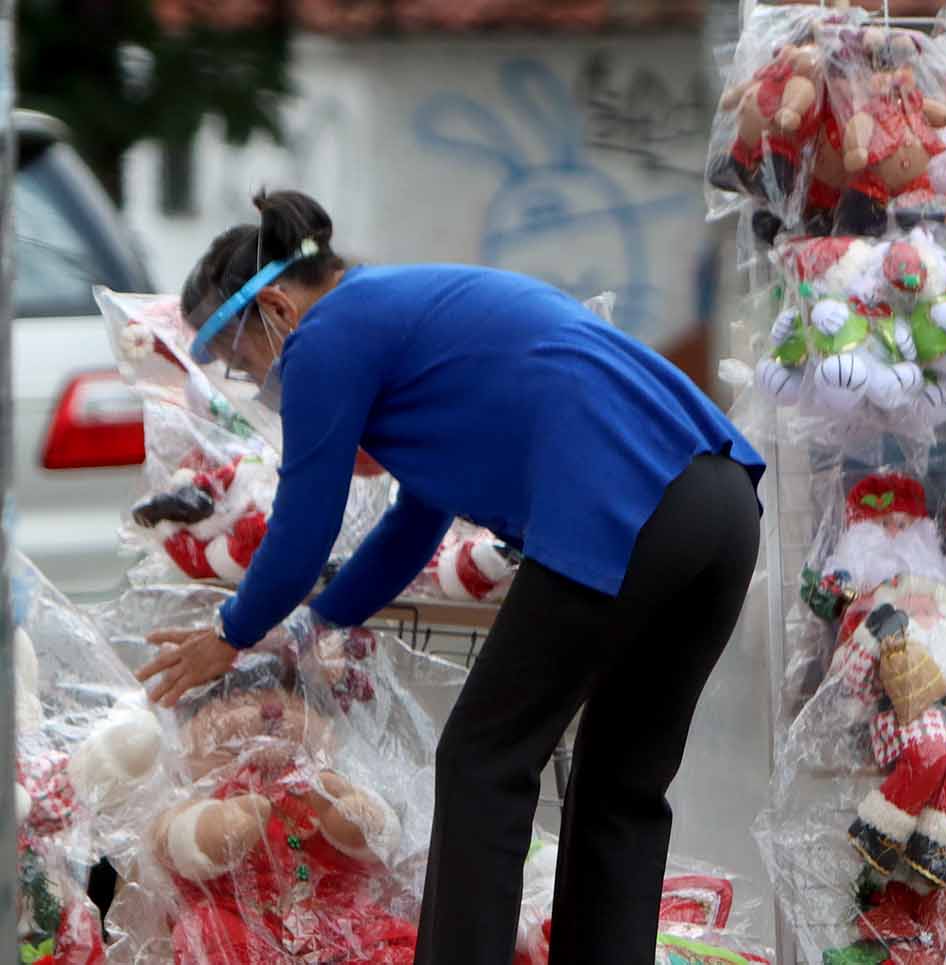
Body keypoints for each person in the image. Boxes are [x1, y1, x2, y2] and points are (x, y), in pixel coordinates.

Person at [135, 190, 765, 964]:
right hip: (719, 505)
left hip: (623, 503)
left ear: (274, 310)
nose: (254, 381)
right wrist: (316, 624)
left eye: (241, 361)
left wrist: (228, 634)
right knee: (618, 788)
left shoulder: (326, 336)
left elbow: (304, 527)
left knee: (481, 761)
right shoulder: (402, 315)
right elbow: (414, 522)